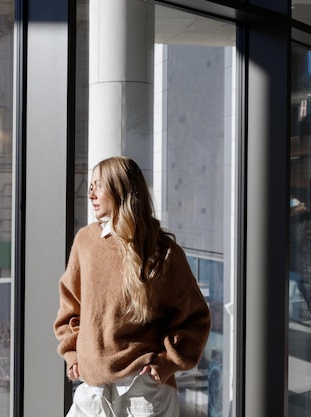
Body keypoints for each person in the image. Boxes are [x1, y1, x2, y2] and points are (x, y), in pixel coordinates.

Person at [53, 156, 211, 417]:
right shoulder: (86, 241)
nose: (91, 193)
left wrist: (167, 362)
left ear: (120, 190)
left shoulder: (162, 252)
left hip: (145, 390)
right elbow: (71, 307)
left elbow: (196, 319)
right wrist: (73, 353)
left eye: (99, 186)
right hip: (94, 389)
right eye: (90, 186)